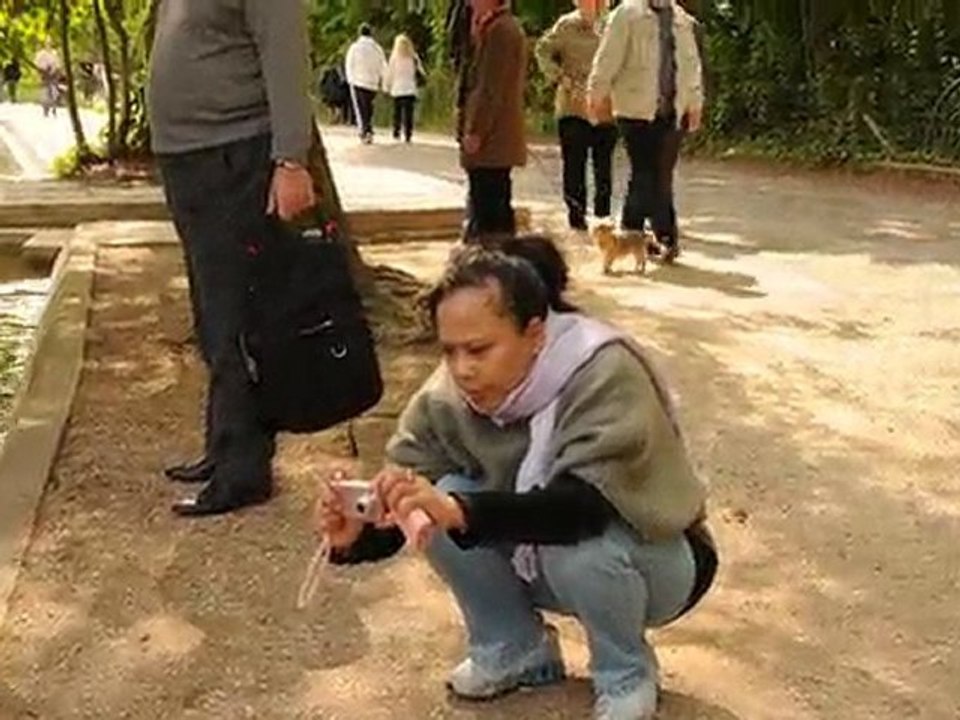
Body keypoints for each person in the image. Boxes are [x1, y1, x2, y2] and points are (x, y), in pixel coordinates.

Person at [316, 240, 717, 720]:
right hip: (543, 552)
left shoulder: (602, 372)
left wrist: (462, 513)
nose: (463, 368)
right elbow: (409, 499)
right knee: (437, 499)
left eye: (480, 349)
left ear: (534, 333)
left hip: (655, 560)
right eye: (450, 351)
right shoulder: (445, 398)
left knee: (573, 546)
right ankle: (514, 647)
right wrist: (358, 533)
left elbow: (582, 510)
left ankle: (625, 672)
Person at [147, 0, 317, 516]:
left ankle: (243, 470)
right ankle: (225, 446)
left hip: (235, 152)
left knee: (234, 313)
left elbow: (286, 56)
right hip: (189, 157)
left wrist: (290, 159)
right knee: (210, 311)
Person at [588, 0, 704, 263]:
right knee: (644, 173)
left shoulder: (682, 21)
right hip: (635, 110)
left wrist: (695, 104)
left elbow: (691, 67)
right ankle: (662, 237)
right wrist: (597, 93)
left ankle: (639, 235)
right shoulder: (627, 14)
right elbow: (607, 58)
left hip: (672, 110)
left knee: (660, 174)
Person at [536, 0, 618, 232]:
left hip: (606, 107)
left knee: (603, 166)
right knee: (574, 164)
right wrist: (559, 77)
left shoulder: (614, 25)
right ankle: (576, 214)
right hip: (573, 105)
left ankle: (603, 217)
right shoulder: (566, 25)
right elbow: (543, 51)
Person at [460, 0, 527, 241]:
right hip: (494, 136)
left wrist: (476, 130)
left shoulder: (501, 31)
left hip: (494, 137)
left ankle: (492, 260)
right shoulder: (493, 27)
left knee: (489, 205)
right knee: (491, 199)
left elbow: (490, 86)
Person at [345, 24, 387, 144]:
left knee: (360, 108)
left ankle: (364, 130)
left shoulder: (354, 48)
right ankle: (368, 128)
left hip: (358, 81)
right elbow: (383, 65)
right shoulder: (377, 49)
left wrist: (350, 79)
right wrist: (383, 81)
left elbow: (349, 64)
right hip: (372, 83)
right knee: (368, 106)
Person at [384, 34, 424, 144]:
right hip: (410, 88)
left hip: (397, 89)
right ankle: (408, 134)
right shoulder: (413, 57)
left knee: (397, 112)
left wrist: (386, 86)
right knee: (408, 113)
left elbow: (389, 73)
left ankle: (396, 132)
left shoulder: (394, 58)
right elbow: (421, 71)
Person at [34, 41, 62, 117]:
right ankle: (45, 108)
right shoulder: (41, 54)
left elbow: (58, 64)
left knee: (54, 90)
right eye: (47, 43)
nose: (49, 45)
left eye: (50, 43)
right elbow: (37, 64)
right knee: (45, 91)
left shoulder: (54, 53)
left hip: (53, 74)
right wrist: (41, 72)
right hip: (44, 74)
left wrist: (55, 71)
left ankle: (54, 107)